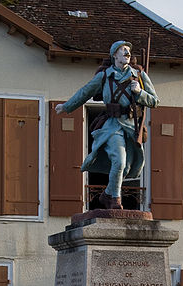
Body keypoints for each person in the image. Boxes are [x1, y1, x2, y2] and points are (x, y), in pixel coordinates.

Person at [55, 41, 159, 209]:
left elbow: (155, 101)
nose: (127, 53)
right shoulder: (105, 76)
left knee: (125, 167)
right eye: (123, 50)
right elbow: (85, 91)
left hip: (131, 126)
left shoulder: (139, 74)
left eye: (128, 51)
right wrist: (67, 106)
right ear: (114, 55)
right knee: (119, 161)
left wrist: (140, 92)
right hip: (112, 124)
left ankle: (107, 194)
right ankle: (114, 200)